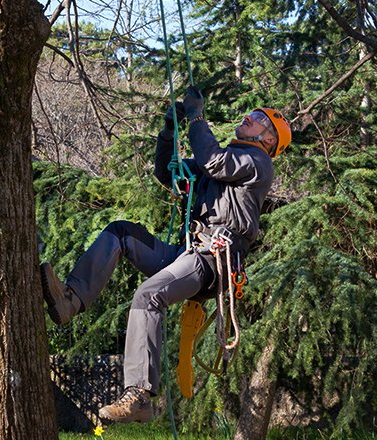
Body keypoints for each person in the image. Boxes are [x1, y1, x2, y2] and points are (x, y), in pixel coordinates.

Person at [40, 86, 292, 423]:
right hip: (188, 252)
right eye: (252, 114)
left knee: (148, 295)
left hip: (210, 260)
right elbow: (167, 173)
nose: (249, 118)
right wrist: (169, 132)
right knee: (121, 233)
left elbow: (213, 161)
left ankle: (140, 395)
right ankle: (70, 301)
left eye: (259, 119)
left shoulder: (256, 162)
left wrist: (197, 118)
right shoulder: (229, 162)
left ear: (269, 140)